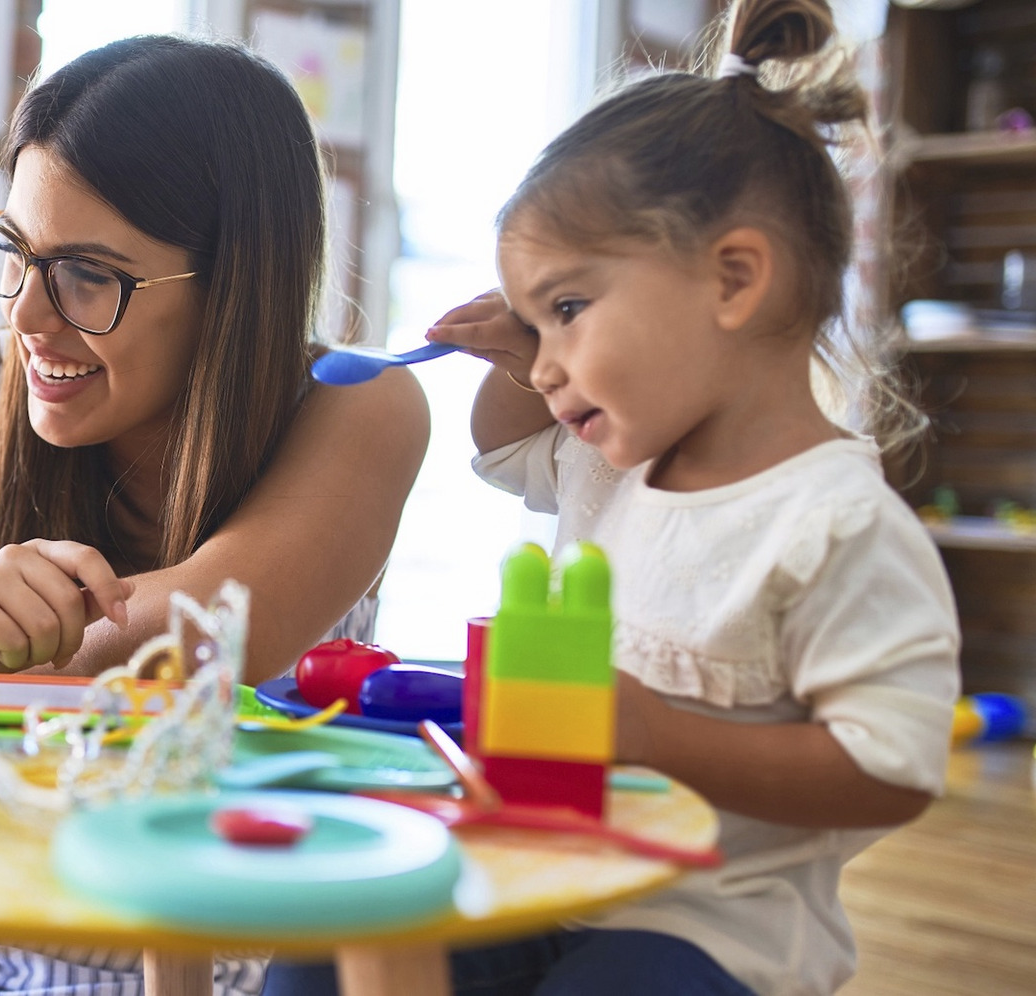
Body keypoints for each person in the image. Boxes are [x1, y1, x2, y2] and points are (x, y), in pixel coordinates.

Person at [266, 2, 960, 994]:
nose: (547, 367)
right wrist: (520, 354)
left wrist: (655, 735)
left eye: (569, 310)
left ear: (732, 280)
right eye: (532, 326)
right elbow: (502, 448)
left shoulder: (835, 525)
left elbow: (892, 770)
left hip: (709, 929)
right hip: (537, 878)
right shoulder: (612, 461)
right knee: (321, 964)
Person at [0, 34, 428, 996]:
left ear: (233, 287)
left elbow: (198, 635)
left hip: (188, 944)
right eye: (14, 252)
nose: (29, 317)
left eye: (88, 274)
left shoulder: (358, 404)